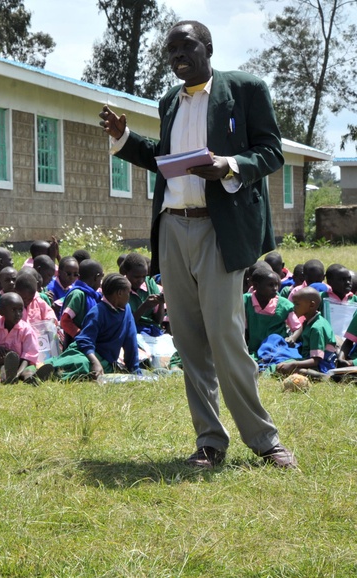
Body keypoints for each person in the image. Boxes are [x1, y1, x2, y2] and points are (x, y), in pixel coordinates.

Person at [100, 20, 296, 468]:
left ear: (207, 47)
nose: (176, 56)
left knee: (226, 336)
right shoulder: (169, 100)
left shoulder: (244, 89)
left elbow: (271, 150)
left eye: (185, 46)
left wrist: (227, 165)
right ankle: (209, 442)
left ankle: (265, 441)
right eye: (170, 51)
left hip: (218, 227)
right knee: (188, 340)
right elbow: (164, 160)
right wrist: (124, 139)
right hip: (173, 227)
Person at [36, 274, 140, 382]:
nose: (129, 296)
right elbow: (85, 341)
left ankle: (48, 373)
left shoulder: (127, 310)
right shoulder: (98, 312)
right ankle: (38, 371)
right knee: (80, 363)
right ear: (119, 293)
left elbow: (130, 339)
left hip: (105, 360)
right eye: (128, 292)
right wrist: (95, 363)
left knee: (89, 370)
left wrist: (134, 369)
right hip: (84, 352)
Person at [276, 287, 337, 377]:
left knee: (287, 369)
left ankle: (323, 377)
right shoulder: (309, 321)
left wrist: (293, 364)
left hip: (323, 364)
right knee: (280, 364)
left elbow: (315, 360)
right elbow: (301, 329)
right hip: (308, 358)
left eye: (297, 304)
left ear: (311, 305)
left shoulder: (317, 328)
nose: (293, 307)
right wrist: (293, 338)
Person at [243, 266, 301, 356]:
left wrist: (292, 338)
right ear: (255, 286)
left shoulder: (284, 304)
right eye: (270, 285)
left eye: (276, 285)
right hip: (252, 348)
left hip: (276, 349)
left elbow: (297, 327)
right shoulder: (245, 301)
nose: (275, 288)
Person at [119, 253, 165, 336]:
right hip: (131, 331)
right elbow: (126, 324)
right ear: (126, 272)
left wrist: (161, 302)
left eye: (144, 276)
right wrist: (144, 306)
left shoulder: (150, 283)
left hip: (151, 331)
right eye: (136, 277)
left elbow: (158, 321)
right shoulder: (120, 289)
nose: (141, 280)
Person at [60, 260, 104, 345]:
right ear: (96, 277)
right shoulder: (78, 294)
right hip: (76, 344)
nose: (100, 283)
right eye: (100, 279)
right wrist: (81, 335)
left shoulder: (93, 295)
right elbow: (65, 321)